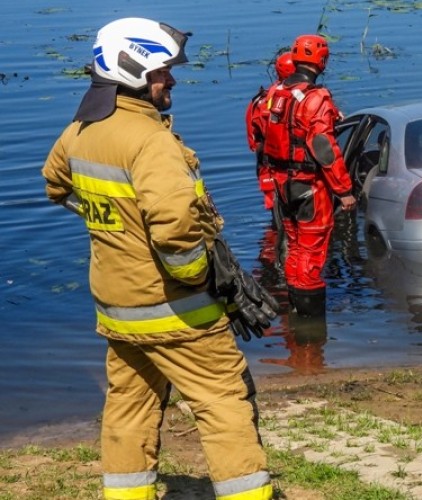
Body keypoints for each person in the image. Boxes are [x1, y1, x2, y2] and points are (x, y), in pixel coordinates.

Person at [41, 17, 275, 500]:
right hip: (178, 311)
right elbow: (173, 230)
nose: (171, 79)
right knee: (223, 403)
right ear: (133, 72)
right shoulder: (151, 142)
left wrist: (115, 222)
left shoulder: (80, 132)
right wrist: (197, 274)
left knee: (129, 406)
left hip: (117, 310)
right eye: (163, 71)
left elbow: (56, 184)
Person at [261, 34, 356, 318]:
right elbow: (323, 147)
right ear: (322, 61)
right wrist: (344, 189)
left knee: (294, 244)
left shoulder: (275, 94)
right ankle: (312, 328)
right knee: (313, 250)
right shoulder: (316, 98)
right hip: (308, 185)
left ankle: (294, 316)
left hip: (281, 182)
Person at [245, 52, 295, 217]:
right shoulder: (306, 99)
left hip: (268, 169)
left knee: (278, 220)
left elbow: (253, 141)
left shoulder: (259, 101)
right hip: (298, 172)